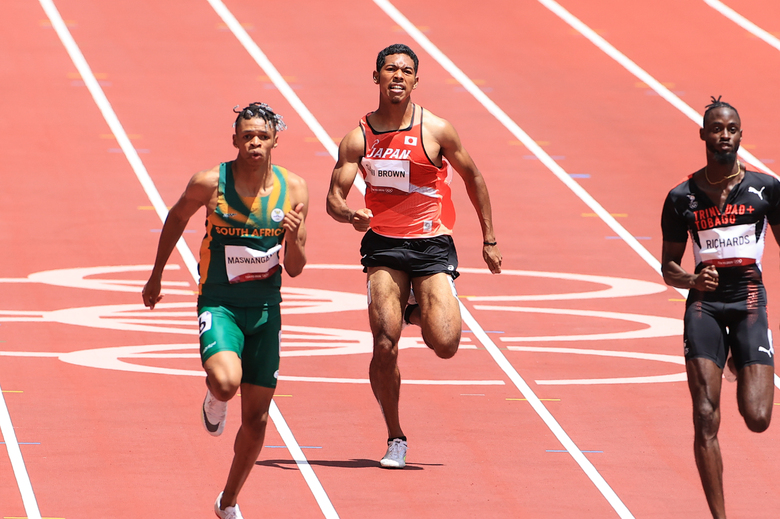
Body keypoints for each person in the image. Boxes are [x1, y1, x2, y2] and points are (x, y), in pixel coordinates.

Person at [326, 43, 502, 469]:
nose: (398, 76)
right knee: (384, 344)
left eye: (406, 70)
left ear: (416, 80)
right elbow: (333, 196)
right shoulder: (359, 137)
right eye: (390, 69)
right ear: (377, 77)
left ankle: (414, 308)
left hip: (430, 244)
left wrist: (489, 238)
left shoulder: (437, 130)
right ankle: (395, 436)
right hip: (383, 245)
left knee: (445, 344)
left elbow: (474, 177)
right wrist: (350, 213)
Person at [142, 102, 308, 518]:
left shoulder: (295, 189)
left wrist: (296, 238)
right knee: (226, 382)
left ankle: (228, 500)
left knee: (257, 420)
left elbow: (296, 267)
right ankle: (214, 400)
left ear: (274, 141)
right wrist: (156, 274)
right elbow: (175, 218)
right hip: (220, 303)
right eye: (247, 135)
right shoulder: (209, 183)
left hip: (267, 310)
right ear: (234, 139)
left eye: (262, 136)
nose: (254, 142)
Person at [661, 97, 777, 518]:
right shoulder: (681, 198)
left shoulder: (767, 190)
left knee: (758, 417)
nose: (723, 135)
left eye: (731, 129)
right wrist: (691, 279)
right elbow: (668, 266)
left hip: (748, 300)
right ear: (703, 134)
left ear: (740, 135)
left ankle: (737, 359)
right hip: (705, 306)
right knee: (705, 415)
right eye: (716, 128)